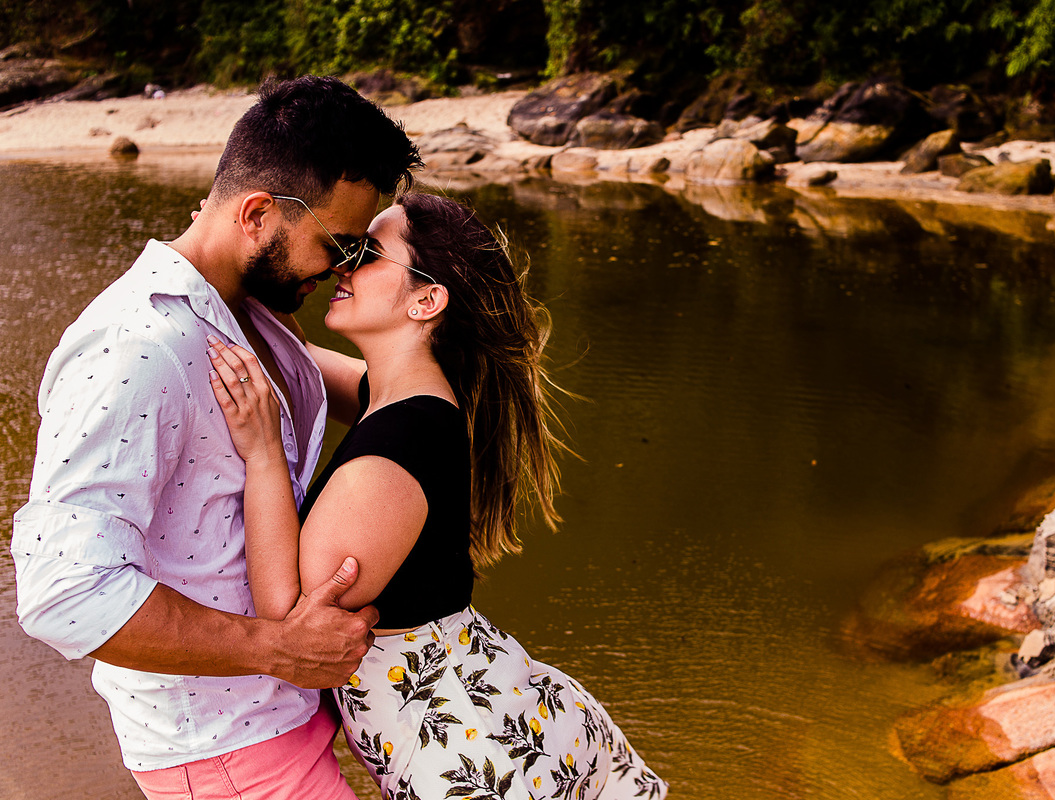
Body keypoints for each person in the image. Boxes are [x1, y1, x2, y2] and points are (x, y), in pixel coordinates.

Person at [10, 75, 421, 799]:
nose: (343, 271)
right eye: (341, 246)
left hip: (274, 725)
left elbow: (362, 388)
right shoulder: (136, 345)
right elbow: (62, 590)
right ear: (258, 212)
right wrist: (280, 648)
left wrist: (446, 386)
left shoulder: (242, 308)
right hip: (222, 752)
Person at [205, 192, 668, 799]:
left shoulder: (394, 451)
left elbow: (287, 609)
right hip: (493, 713)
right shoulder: (405, 396)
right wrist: (232, 248)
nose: (342, 264)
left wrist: (263, 453)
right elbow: (295, 358)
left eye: (365, 253)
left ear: (427, 299)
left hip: (471, 754)